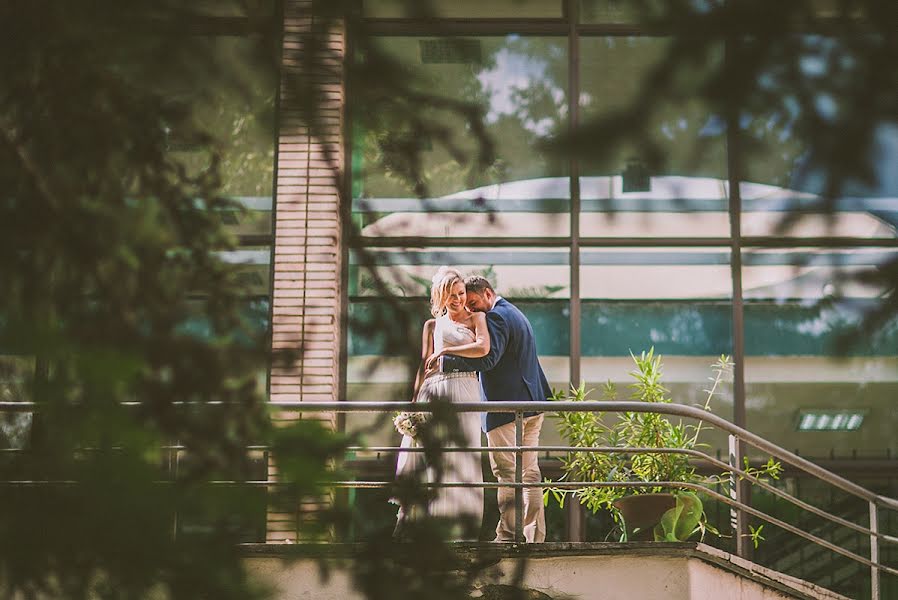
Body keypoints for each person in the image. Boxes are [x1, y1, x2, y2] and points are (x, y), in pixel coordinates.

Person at [436, 276, 549, 543]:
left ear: (488, 294)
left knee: (506, 473)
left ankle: (508, 535)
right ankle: (535, 535)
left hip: (506, 408)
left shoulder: (497, 316)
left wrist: (446, 363)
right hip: (533, 403)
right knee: (529, 472)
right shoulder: (515, 312)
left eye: (474, 303)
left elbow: (488, 359)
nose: (472, 310)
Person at [392, 266, 487, 539]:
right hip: (435, 391)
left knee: (463, 454)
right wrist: (413, 402)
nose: (457, 299)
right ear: (440, 296)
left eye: (460, 293)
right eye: (451, 294)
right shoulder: (431, 325)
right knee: (433, 457)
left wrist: (446, 350)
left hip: (465, 388)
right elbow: (424, 365)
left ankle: (461, 528)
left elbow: (483, 348)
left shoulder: (476, 319)